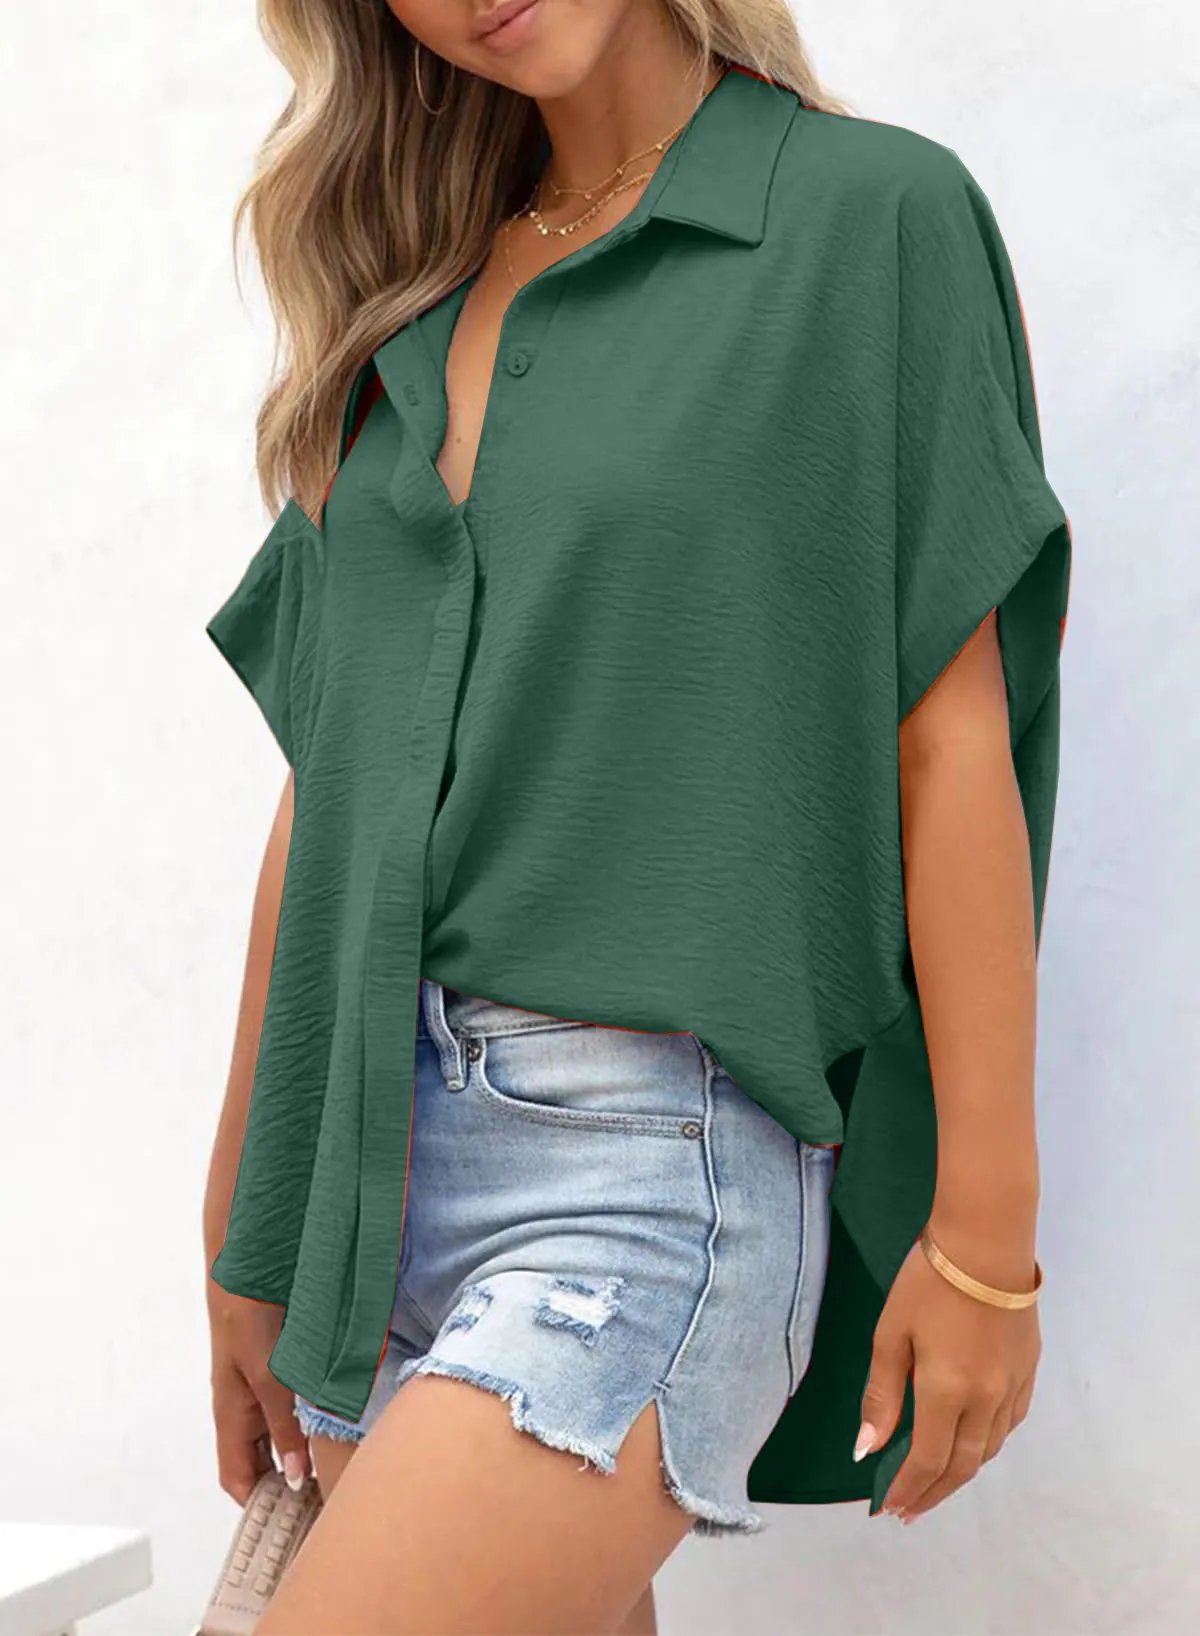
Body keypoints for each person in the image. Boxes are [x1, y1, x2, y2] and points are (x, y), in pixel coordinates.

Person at [202, 3, 1071, 1632]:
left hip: (642, 1186)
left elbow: (950, 748)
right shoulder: (417, 290)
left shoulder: (869, 218)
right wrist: (248, 1224)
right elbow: (330, 791)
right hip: (369, 1183)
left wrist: (987, 1239)